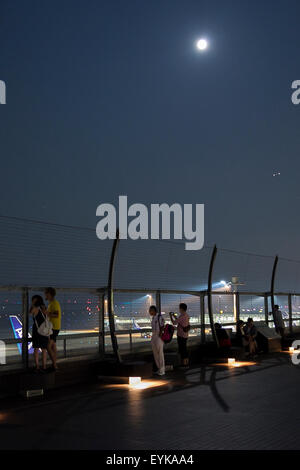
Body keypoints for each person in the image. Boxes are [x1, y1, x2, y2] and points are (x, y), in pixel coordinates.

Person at [30, 295, 52, 372]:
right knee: (44, 350)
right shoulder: (44, 308)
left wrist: (32, 304)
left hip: (37, 331)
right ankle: (44, 366)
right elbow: (48, 317)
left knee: (36, 349)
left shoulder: (35, 309)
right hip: (45, 330)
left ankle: (37, 367)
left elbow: (30, 313)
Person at [45, 287, 61, 370]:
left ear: (49, 294)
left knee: (48, 346)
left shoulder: (54, 303)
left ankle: (54, 365)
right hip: (54, 327)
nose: (45, 295)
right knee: (53, 346)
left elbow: (56, 315)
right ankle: (55, 364)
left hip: (54, 327)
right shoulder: (52, 303)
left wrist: (47, 313)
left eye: (46, 294)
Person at [170, 303, 190, 368]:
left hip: (181, 335)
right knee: (185, 349)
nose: (179, 309)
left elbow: (174, 323)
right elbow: (179, 321)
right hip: (185, 335)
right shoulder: (186, 315)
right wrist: (174, 316)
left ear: (181, 308)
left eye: (179, 308)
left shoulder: (182, 316)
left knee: (182, 350)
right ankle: (187, 363)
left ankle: (184, 364)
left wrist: (170, 316)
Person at [149, 305, 165, 376]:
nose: (149, 312)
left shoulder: (159, 317)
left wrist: (160, 335)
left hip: (159, 337)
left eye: (150, 310)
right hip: (154, 336)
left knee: (160, 353)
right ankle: (159, 369)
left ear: (154, 310)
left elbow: (162, 326)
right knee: (155, 354)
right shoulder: (153, 318)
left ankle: (162, 370)